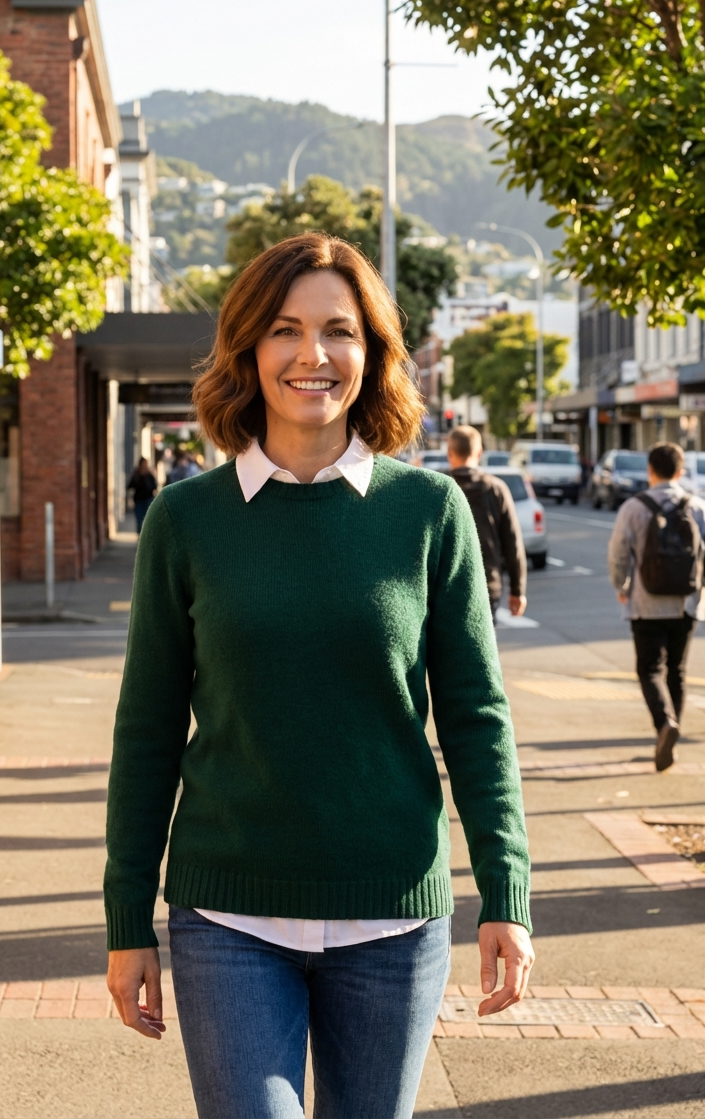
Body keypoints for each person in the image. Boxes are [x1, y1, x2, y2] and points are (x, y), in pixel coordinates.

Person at [104, 233, 533, 1120]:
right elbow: (147, 729)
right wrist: (124, 919)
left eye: (339, 330)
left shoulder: (429, 511)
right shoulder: (186, 521)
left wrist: (507, 891)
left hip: (395, 921)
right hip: (229, 921)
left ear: (371, 353)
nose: (311, 355)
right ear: (248, 350)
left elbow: (476, 716)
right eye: (284, 330)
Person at [608, 442, 705, 771]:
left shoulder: (634, 507)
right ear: (681, 471)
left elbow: (618, 553)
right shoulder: (697, 507)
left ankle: (665, 725)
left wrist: (621, 586)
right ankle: (671, 732)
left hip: (645, 602)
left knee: (649, 670)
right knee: (676, 671)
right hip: (686, 603)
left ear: (650, 470)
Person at [446, 425, 527, 625]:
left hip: (443, 587)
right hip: (486, 584)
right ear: (479, 453)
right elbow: (512, 543)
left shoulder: (439, 487)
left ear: (450, 454)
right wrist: (517, 591)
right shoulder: (496, 488)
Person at [127, 457, 157, 533]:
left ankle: (146, 537)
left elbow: (154, 486)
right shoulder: (136, 475)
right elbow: (130, 486)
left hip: (148, 500)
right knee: (139, 520)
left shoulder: (149, 475)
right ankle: (140, 537)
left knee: (147, 521)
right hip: (139, 500)